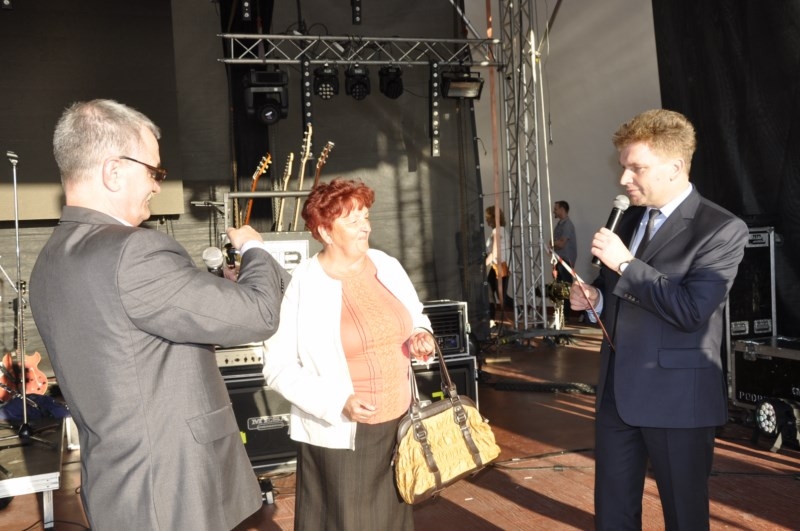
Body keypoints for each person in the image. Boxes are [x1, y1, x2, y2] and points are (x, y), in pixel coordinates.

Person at [29, 99, 291, 531]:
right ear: (114, 171)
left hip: (118, 484)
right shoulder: (134, 250)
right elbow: (259, 314)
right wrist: (255, 249)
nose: (156, 185)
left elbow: (131, 340)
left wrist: (220, 290)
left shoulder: (50, 261)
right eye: (154, 171)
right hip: (173, 490)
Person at [569, 109, 748, 530]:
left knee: (684, 517)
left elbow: (690, 311)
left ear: (675, 167)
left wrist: (626, 264)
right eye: (623, 167)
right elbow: (619, 295)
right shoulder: (629, 218)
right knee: (613, 515)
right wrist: (596, 298)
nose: (623, 179)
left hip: (677, 399)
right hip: (616, 395)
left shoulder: (721, 229)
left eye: (637, 168)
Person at [262, 178, 435, 531]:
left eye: (366, 217)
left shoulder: (386, 264)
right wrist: (338, 402)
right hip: (343, 434)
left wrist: (421, 334)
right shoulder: (304, 283)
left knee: (394, 523)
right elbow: (277, 367)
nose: (365, 227)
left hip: (400, 425)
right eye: (353, 220)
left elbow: (415, 314)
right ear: (326, 232)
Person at [485, 206, 514, 311]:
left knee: (502, 296)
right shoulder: (498, 231)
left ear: (492, 217)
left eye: (487, 216)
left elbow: (494, 252)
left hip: (501, 266)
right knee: (489, 289)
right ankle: (491, 316)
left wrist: (483, 264)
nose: (486, 219)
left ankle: (521, 310)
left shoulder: (498, 231)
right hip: (496, 266)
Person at [551, 200, 577, 284]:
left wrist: (552, 244)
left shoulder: (567, 225)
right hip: (559, 261)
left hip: (564, 262)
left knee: (565, 286)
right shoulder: (560, 224)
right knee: (558, 286)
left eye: (555, 209)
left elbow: (561, 244)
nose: (553, 211)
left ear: (562, 209)